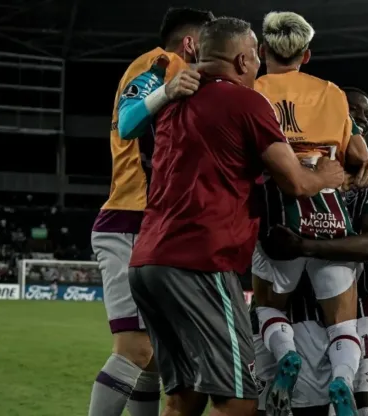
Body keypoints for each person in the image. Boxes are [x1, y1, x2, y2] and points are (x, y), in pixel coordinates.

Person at [127, 17, 345, 416]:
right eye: (256, 60)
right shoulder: (246, 101)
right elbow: (295, 182)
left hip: (147, 262)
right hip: (201, 262)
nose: (259, 68)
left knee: (182, 399)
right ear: (243, 59)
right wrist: (325, 176)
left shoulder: (172, 100)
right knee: (240, 401)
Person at [88, 7, 213, 416]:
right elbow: (128, 123)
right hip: (129, 219)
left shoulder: (173, 71)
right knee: (136, 348)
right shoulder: (161, 64)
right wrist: (167, 89)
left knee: (156, 357)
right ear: (192, 43)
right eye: (209, 44)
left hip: (151, 222)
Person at [251, 12, 368, 416]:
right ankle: (341, 379)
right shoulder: (333, 93)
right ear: (306, 54)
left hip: (279, 212)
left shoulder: (253, 90)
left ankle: (286, 354)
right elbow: (357, 154)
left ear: (263, 50)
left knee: (268, 305)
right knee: (343, 321)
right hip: (330, 215)